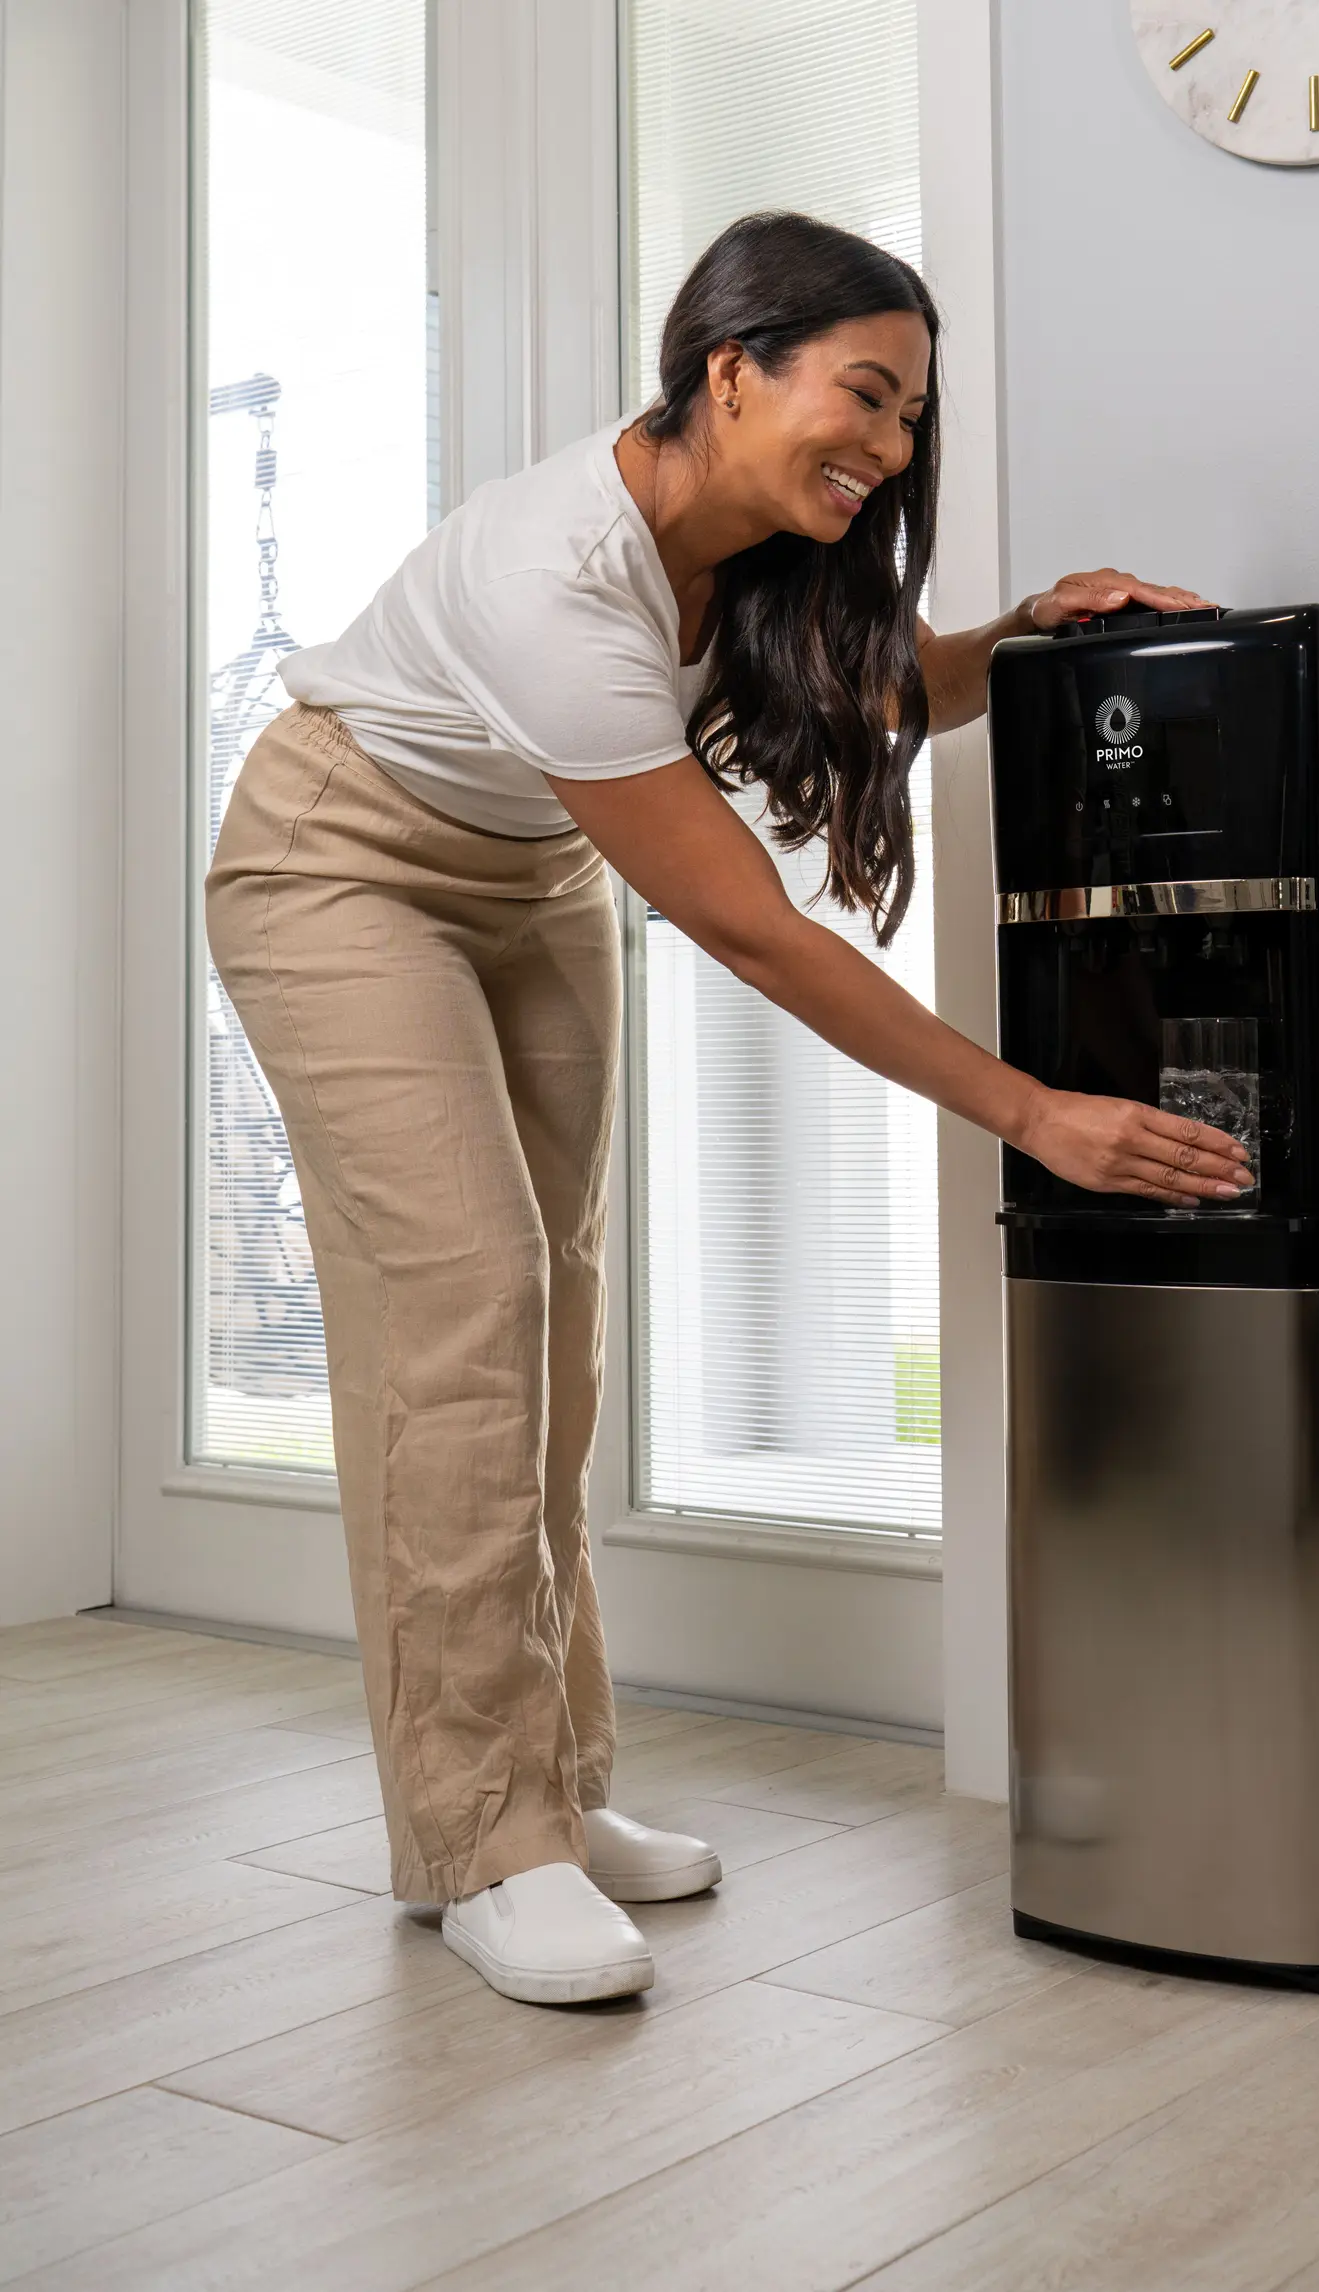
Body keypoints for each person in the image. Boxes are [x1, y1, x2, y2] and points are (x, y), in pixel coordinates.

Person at [205, 210, 1251, 2009]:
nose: (893, 446)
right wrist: (1034, 1114)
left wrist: (1022, 637)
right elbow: (755, 934)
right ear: (728, 369)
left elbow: (880, 688)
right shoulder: (558, 574)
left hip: (527, 875)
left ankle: (549, 1787)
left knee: (564, 1325)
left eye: (913, 413)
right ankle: (480, 1840)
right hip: (339, 862)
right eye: (865, 394)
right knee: (467, 1312)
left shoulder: (771, 542)